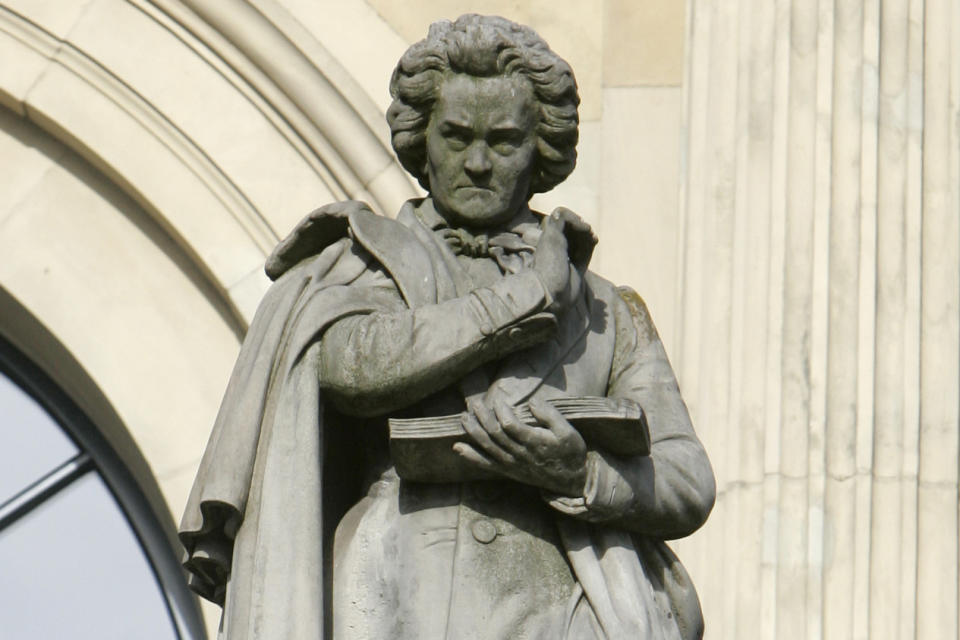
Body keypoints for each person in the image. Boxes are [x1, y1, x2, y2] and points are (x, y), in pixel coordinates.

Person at [179, 14, 715, 640]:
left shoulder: (606, 309)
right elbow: (351, 368)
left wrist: (579, 474)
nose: (479, 162)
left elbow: (687, 478)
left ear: (541, 148)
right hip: (390, 596)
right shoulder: (359, 268)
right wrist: (524, 300)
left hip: (562, 611)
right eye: (457, 136)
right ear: (421, 139)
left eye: (506, 140)